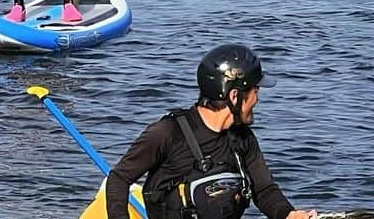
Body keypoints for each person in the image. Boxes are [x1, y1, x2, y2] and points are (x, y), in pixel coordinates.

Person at [105, 43, 319, 219]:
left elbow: (264, 190)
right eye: (256, 90)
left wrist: (288, 214)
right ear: (235, 96)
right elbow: (118, 179)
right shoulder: (166, 134)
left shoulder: (243, 139)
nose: (258, 98)